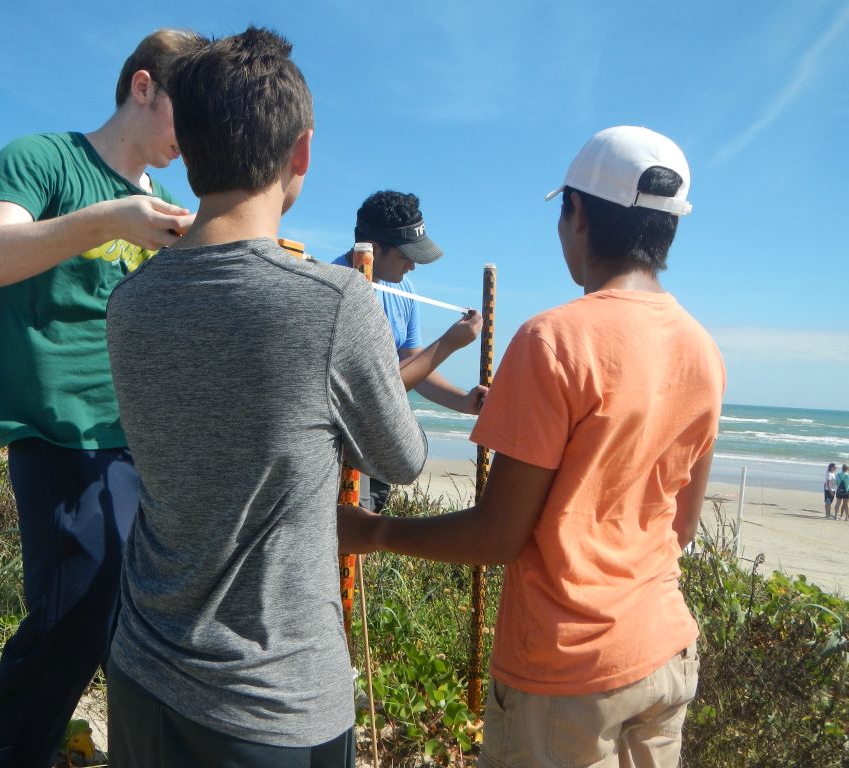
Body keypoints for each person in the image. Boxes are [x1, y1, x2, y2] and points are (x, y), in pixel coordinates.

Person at [339, 126, 726, 767]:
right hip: (664, 656)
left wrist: (369, 531)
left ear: (575, 213)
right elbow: (681, 528)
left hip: (567, 672)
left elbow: (497, 538)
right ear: (668, 230)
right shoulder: (702, 350)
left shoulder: (553, 339)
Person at [104, 27, 429, 767]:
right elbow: (402, 460)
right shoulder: (334, 301)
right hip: (271, 697)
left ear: (183, 144)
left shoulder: (130, 302)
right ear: (302, 152)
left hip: (141, 662)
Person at [0, 29, 202, 768]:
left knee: (142, 611)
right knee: (77, 611)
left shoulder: (173, 207)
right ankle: (5, 754)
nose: (188, 145)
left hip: (144, 438)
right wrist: (109, 219)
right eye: (183, 119)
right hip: (59, 429)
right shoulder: (42, 158)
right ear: (143, 87)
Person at [332, 190, 484, 510]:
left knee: (362, 541)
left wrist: (464, 402)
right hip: (341, 448)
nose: (413, 266)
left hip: (378, 441)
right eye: (405, 255)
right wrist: (447, 344)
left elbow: (414, 367)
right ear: (373, 250)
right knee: (346, 543)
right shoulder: (336, 290)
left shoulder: (403, 288)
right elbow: (377, 390)